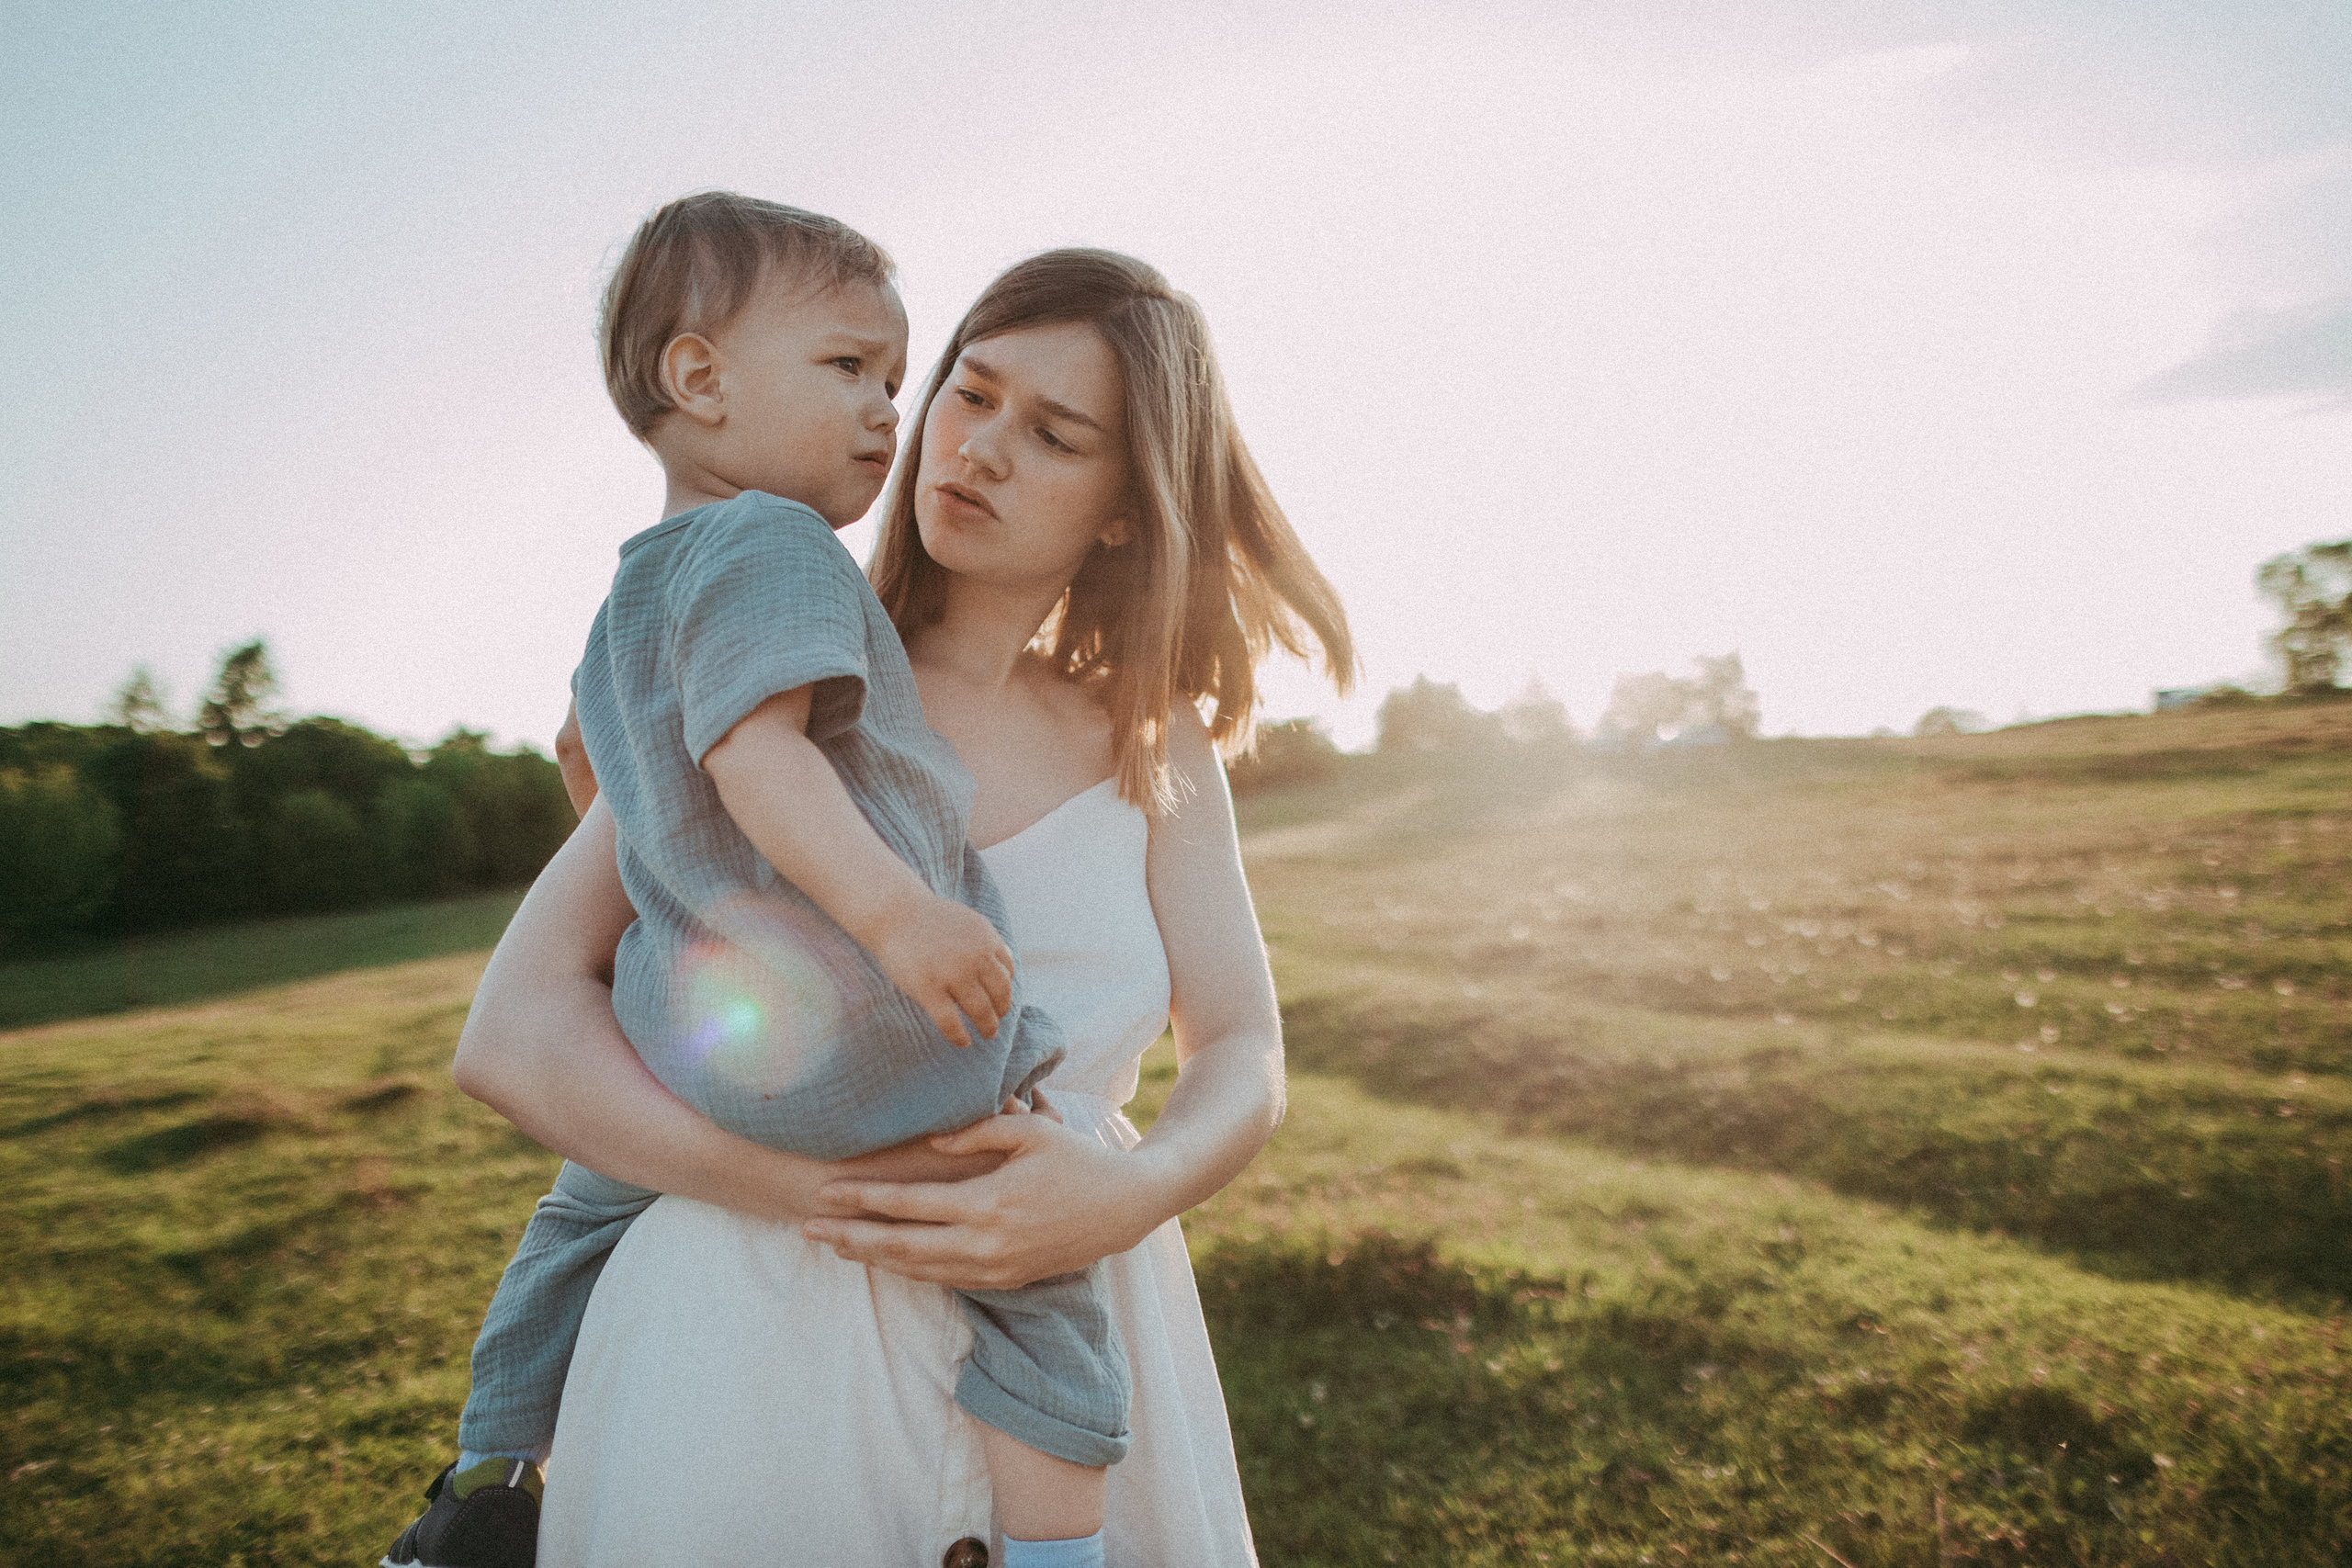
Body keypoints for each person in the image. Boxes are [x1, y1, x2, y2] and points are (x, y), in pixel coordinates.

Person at [450, 247, 1353, 1563]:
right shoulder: (755, 680)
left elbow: (1244, 1051)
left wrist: (1130, 1191)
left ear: (1123, 504)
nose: (978, 448)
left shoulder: (1153, 748)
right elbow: (515, 1039)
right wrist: (819, 1193)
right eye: (969, 394)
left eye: (1054, 434)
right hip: (739, 1342)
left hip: (1073, 1315)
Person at [383, 194, 1131, 1568]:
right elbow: (756, 756)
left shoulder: (629, 598)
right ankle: (1058, 1553)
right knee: (1043, 1293)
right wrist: (901, 911)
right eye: (851, 367)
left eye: (896, 382)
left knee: (573, 1215)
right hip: (879, 1045)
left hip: (700, 1063)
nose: (887, 416)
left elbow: (605, 780)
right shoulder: (777, 545)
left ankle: (487, 1477)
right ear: (698, 377)